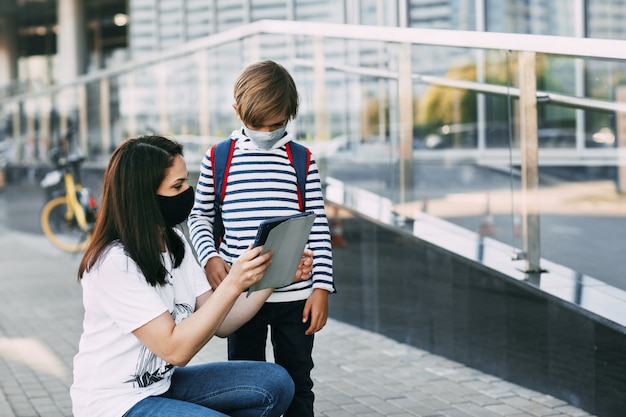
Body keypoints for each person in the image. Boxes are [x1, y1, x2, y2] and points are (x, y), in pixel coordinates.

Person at [70, 135, 314, 417]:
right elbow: (176, 350)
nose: (189, 192)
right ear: (144, 197)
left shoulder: (173, 240)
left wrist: (272, 277)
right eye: (178, 185)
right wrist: (234, 281)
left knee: (276, 383)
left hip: (163, 386)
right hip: (116, 404)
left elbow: (223, 322)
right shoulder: (114, 264)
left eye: (186, 181)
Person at [188, 60, 335, 417]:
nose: (268, 132)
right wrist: (210, 258)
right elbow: (200, 216)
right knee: (246, 385)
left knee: (299, 380)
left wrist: (321, 290)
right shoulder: (218, 158)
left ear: (290, 115)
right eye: (258, 125)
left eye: (277, 124)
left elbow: (318, 227)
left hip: (295, 297)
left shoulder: (302, 160)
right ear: (237, 111)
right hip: (240, 299)